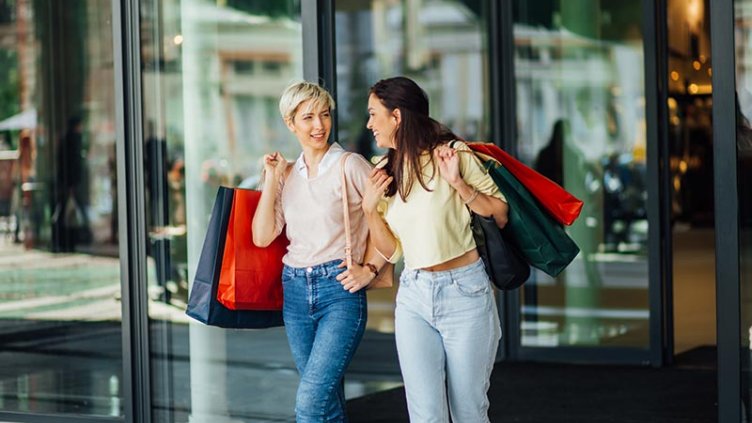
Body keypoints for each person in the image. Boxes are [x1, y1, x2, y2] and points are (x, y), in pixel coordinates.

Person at [361, 76, 509, 422]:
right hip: (414, 295)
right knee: (426, 415)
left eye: (373, 114)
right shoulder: (383, 170)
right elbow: (390, 250)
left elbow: (500, 213)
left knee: (468, 411)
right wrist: (369, 209)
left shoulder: (453, 154)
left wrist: (458, 182)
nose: (369, 124)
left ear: (396, 116)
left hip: (464, 293)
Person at [252, 81, 384, 422]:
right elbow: (263, 236)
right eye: (307, 117)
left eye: (324, 115)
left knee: (310, 402)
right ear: (290, 123)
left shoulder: (349, 165)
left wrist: (369, 268)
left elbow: (391, 218)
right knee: (325, 402)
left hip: (338, 291)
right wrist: (270, 178)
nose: (318, 125)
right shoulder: (286, 174)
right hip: (294, 292)